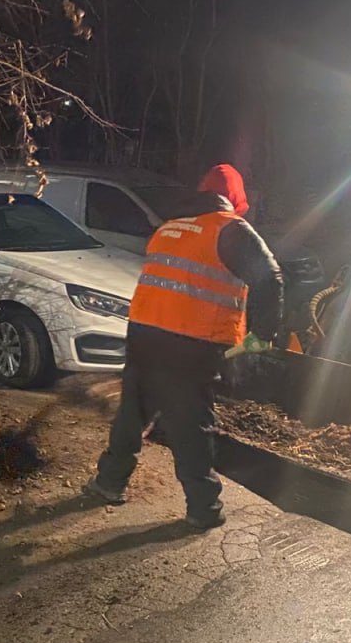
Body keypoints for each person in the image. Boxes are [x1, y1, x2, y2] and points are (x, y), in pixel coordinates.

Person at [84, 164, 283, 529]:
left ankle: (110, 481)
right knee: (191, 425)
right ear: (235, 199)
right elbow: (271, 280)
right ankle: (203, 508)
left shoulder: (169, 228)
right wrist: (264, 333)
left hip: (144, 333)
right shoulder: (232, 230)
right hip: (191, 344)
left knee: (132, 414)